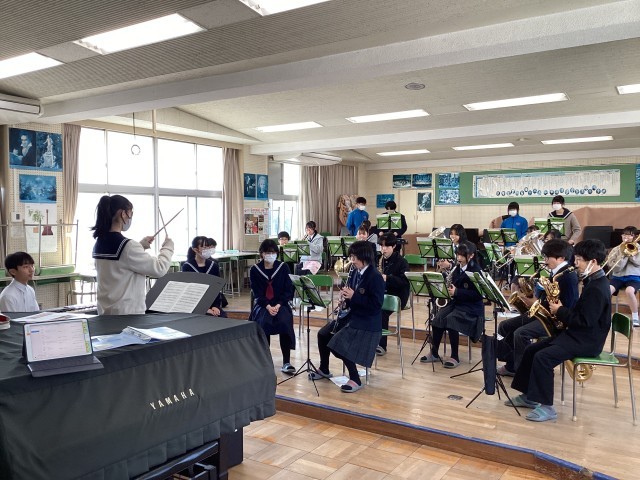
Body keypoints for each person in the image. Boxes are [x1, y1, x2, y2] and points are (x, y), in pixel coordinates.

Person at [508, 239, 611, 422]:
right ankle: (529, 396)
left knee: (543, 357)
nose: (576, 263)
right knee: (532, 350)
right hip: (578, 335)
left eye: (579, 260)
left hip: (587, 341)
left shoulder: (597, 288)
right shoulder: (593, 281)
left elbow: (584, 322)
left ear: (593, 262)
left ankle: (547, 407)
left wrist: (560, 310)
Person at [310, 240, 384, 392]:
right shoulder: (355, 272)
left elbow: (376, 305)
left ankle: (355, 378)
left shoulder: (375, 276)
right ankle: (324, 368)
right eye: (351, 257)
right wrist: (345, 302)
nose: (352, 260)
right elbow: (352, 298)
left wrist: (354, 296)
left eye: (355, 257)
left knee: (338, 343)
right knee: (323, 334)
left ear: (365, 257)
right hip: (352, 316)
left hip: (368, 322)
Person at [497, 239, 579, 376]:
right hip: (544, 314)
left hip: (555, 321)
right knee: (505, 326)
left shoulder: (567, 276)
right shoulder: (556, 272)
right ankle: (512, 365)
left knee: (520, 333)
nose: (545, 261)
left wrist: (536, 303)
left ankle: (524, 373)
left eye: (547, 257)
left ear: (561, 258)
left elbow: (568, 305)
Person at [92, 194, 174, 315]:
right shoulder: (129, 247)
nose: (130, 217)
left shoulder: (99, 242)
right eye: (130, 213)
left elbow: (121, 263)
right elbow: (159, 269)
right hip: (129, 317)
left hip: (106, 314)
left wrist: (140, 246)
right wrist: (168, 248)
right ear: (123, 214)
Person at [420, 241, 484, 368]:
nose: (459, 258)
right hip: (457, 303)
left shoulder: (476, 271)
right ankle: (434, 353)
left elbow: (478, 295)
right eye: (458, 254)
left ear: (471, 255)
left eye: (462, 255)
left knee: (451, 319)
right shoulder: (457, 269)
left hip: (471, 308)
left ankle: (455, 356)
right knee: (438, 319)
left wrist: (457, 292)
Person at [249, 239, 296, 374]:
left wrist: (279, 304)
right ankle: (265, 361)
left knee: (284, 321)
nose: (270, 255)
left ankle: (286, 362)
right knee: (263, 322)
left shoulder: (283, 267)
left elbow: (288, 289)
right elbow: (257, 293)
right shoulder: (255, 270)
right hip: (263, 304)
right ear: (262, 254)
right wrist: (268, 306)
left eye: (273, 252)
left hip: (281, 303)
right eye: (267, 252)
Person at [376, 233, 410, 356]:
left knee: (381, 311)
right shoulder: (379, 259)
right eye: (381, 246)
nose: (383, 249)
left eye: (386, 246)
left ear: (394, 246)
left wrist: (388, 278)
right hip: (382, 294)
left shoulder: (402, 262)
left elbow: (404, 282)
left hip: (397, 295)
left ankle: (381, 345)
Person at [181, 236, 226, 317]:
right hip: (195, 305)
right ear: (195, 249)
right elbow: (189, 292)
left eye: (208, 247)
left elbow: (216, 288)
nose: (207, 250)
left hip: (212, 303)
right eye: (204, 247)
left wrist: (215, 306)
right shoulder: (187, 266)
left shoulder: (213, 265)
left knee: (222, 317)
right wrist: (204, 309)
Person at [609, 226, 640, 327]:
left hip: (634, 277)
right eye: (624, 234)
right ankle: (605, 314)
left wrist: (630, 254)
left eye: (629, 235)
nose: (626, 237)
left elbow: (638, 263)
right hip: (618, 276)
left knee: (629, 291)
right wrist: (623, 255)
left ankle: (635, 317)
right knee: (607, 291)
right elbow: (614, 267)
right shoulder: (616, 249)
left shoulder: (638, 248)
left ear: (634, 237)